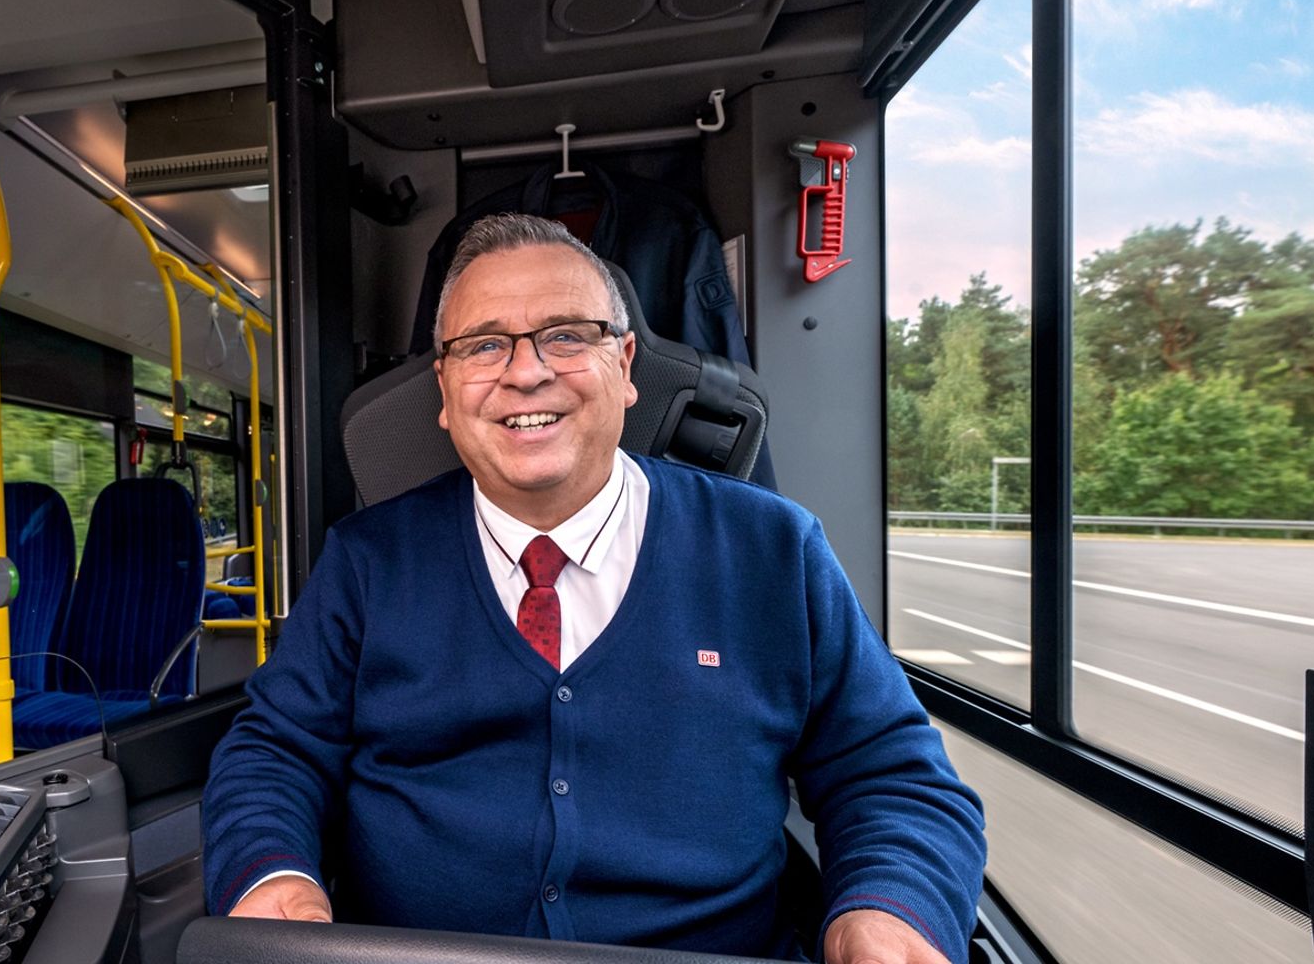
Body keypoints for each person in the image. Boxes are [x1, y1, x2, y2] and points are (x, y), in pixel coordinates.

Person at [201, 214, 985, 963]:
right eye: (483, 346)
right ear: (444, 391)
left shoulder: (774, 549)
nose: (526, 371)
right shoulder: (366, 561)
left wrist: (886, 907)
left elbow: (890, 774)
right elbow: (275, 751)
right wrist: (276, 880)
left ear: (627, 367)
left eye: (567, 336)